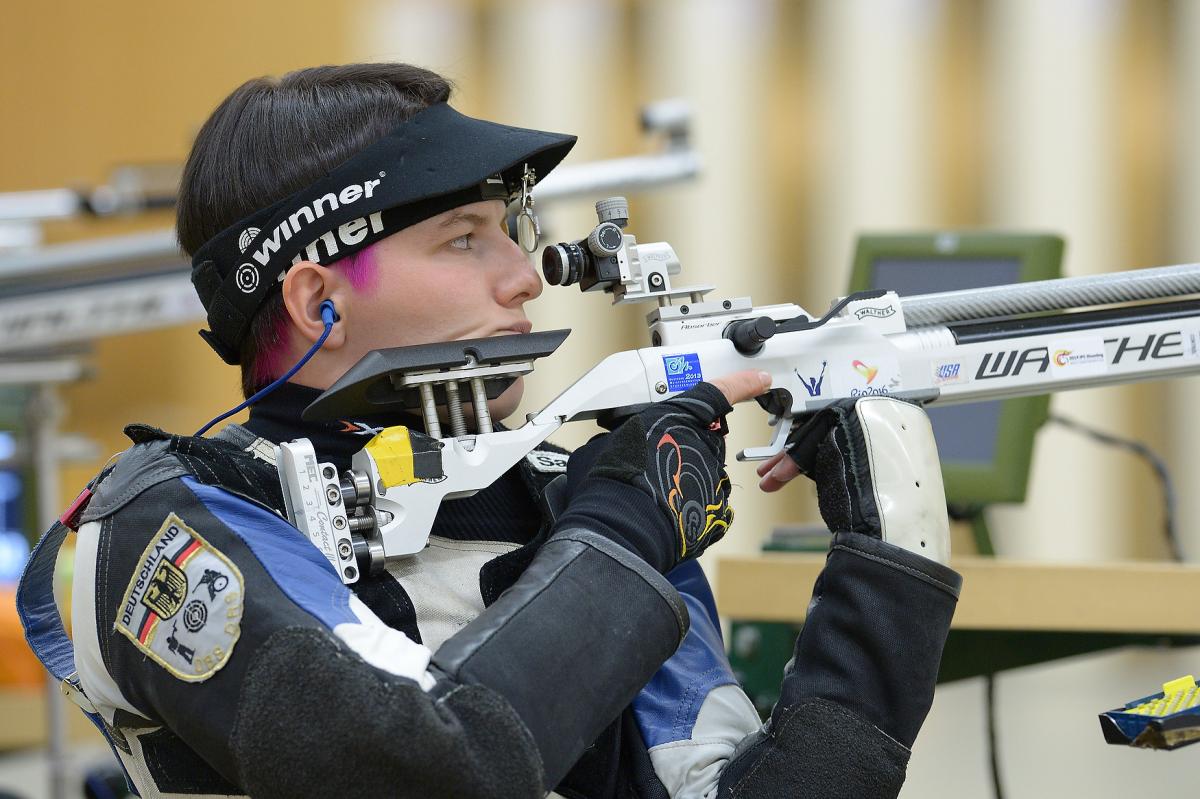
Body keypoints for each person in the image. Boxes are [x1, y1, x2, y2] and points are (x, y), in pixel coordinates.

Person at [17, 63, 960, 798]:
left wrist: (887, 555)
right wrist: (628, 524)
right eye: (464, 237)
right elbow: (423, 769)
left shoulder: (561, 496)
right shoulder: (153, 523)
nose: (525, 275)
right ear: (316, 299)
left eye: (511, 228)